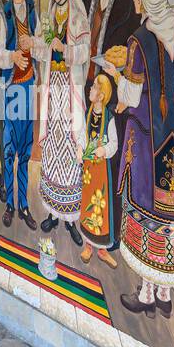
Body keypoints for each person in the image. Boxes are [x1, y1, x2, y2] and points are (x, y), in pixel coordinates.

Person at [100, 0, 174, 321]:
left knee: (143, 210)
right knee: (170, 212)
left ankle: (148, 291)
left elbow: (130, 96)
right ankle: (166, 292)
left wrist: (113, 73)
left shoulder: (139, 40)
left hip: (145, 140)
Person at [33, 0, 91, 246]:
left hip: (69, 91)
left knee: (69, 151)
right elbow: (38, 50)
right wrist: (44, 46)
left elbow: (85, 52)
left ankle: (71, 220)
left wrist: (63, 48)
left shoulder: (78, 18)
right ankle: (53, 214)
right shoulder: (46, 18)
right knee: (52, 152)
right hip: (52, 91)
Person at [0, 0, 38, 230]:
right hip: (11, 87)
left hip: (29, 84)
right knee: (10, 149)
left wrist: (34, 43)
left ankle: (24, 205)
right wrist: (13, 56)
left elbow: (41, 43)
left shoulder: (32, 9)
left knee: (25, 149)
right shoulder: (5, 12)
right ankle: (10, 203)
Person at [79, 72, 120, 267]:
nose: (91, 89)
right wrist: (80, 148)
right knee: (87, 202)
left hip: (101, 171)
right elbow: (82, 134)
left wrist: (103, 150)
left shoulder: (109, 117)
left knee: (101, 207)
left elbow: (114, 144)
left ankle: (102, 249)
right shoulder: (87, 113)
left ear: (102, 95)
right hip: (88, 170)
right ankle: (88, 245)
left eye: (95, 87)